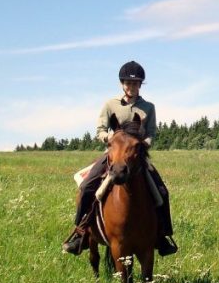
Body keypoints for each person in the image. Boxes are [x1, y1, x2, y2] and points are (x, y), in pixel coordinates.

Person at [62, 61, 178, 256]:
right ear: (122, 84)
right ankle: (80, 233)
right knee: (86, 187)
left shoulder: (148, 107)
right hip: (113, 155)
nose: (131, 87)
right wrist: (109, 138)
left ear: (140, 85)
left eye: (135, 84)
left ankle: (162, 235)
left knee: (162, 192)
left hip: (137, 156)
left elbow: (151, 133)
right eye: (128, 83)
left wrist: (144, 143)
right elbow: (100, 130)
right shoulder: (110, 104)